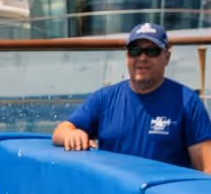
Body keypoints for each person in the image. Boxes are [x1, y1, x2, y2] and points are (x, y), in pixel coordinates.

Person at [52, 22, 211, 171]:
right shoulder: (104, 98)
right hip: (116, 189)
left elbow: (207, 167)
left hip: (164, 190)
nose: (142, 58)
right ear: (127, 56)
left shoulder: (187, 101)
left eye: (152, 51)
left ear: (166, 57)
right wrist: (72, 134)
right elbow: (60, 131)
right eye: (135, 51)